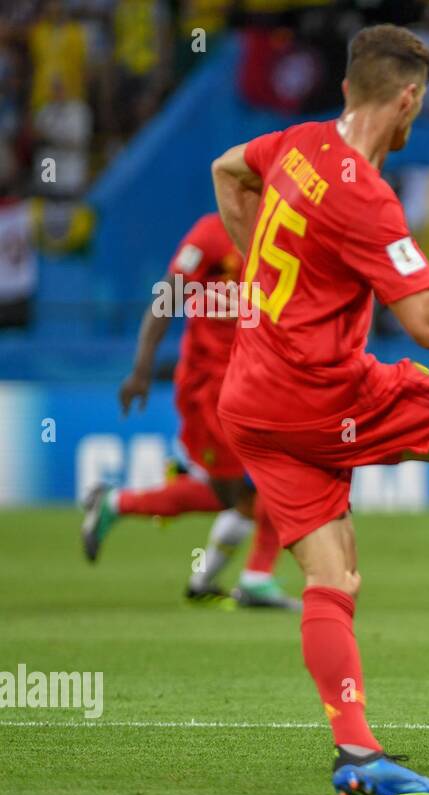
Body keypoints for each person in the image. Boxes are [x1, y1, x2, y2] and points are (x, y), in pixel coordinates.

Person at [210, 25, 429, 795]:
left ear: (344, 90)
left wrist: (266, 287)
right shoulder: (367, 198)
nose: (412, 121)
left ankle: (358, 754)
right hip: (322, 395)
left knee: (332, 580)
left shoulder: (295, 144)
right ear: (407, 100)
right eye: (417, 107)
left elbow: (227, 170)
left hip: (253, 400)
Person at [82, 212, 297, 610]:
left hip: (256, 385)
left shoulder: (280, 232)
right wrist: (142, 370)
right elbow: (167, 297)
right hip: (210, 391)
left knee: (269, 481)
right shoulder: (210, 235)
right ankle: (121, 507)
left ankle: (236, 579)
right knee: (237, 495)